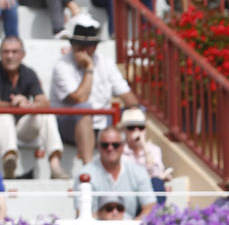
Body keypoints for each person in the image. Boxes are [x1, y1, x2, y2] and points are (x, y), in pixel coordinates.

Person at [49, 14, 139, 167]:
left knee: (137, 113)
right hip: (69, 126)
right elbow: (80, 99)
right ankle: (88, 168)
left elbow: (130, 99)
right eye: (79, 44)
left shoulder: (106, 63)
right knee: (83, 110)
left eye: (89, 45)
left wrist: (134, 113)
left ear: (96, 46)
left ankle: (140, 164)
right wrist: (89, 69)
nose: (84, 49)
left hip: (103, 123)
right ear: (72, 44)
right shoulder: (62, 65)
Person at [0, 36, 68, 179]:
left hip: (22, 128)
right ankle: (9, 158)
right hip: (4, 126)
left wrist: (28, 105)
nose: (10, 56)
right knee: (4, 115)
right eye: (6, 52)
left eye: (14, 52)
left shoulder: (28, 73)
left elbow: (44, 102)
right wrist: (12, 105)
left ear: (22, 55)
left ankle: (55, 165)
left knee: (45, 114)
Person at [74, 126, 154, 219]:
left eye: (115, 145)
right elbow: (82, 213)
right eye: (105, 145)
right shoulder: (85, 174)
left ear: (123, 146)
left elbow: (150, 207)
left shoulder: (138, 172)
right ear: (98, 146)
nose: (110, 148)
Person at [119, 107, 169, 204]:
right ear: (124, 131)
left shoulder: (154, 149)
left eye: (141, 127)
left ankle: (157, 216)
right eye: (131, 128)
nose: (137, 131)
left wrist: (144, 147)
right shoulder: (119, 150)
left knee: (156, 182)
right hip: (129, 190)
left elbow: (156, 173)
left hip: (148, 190)